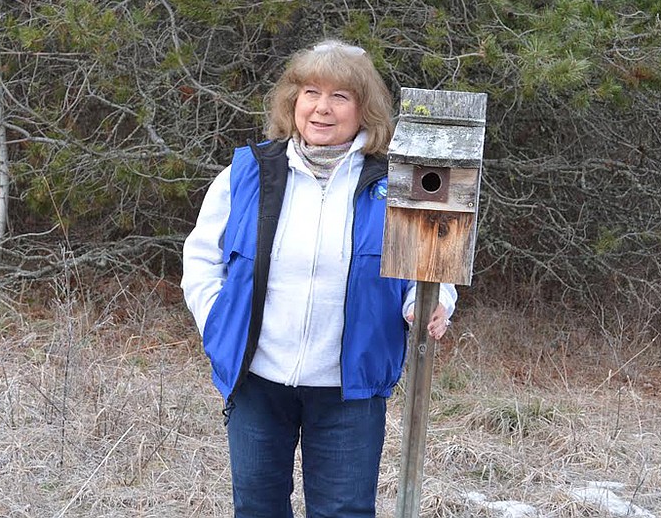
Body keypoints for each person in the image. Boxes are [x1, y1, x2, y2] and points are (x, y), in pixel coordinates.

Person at [181, 39, 458, 518]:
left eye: (340, 96)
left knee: (345, 511)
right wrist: (218, 325)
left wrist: (430, 301)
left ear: (364, 110)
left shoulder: (395, 183)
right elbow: (201, 260)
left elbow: (429, 269)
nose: (322, 108)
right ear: (293, 101)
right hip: (258, 380)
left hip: (348, 388)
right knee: (257, 508)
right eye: (311, 92)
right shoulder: (248, 173)